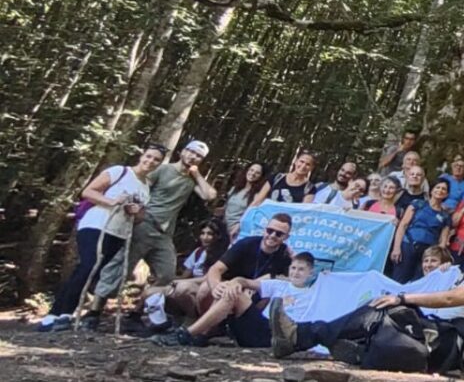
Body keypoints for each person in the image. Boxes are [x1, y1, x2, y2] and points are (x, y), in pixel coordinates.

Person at [270, 231, 464, 371]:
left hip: (450, 342)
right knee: (382, 308)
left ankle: (300, 336)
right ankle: (359, 348)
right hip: (436, 331)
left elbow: (451, 298)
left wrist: (402, 297)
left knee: (385, 310)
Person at [85, 140, 218, 326]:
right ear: (183, 151)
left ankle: (136, 313)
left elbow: (209, 195)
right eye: (191, 152)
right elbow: (141, 184)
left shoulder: (191, 179)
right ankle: (94, 312)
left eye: (198, 156)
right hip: (144, 223)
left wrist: (196, 174)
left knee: (166, 275)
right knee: (120, 267)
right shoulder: (163, 170)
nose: (193, 157)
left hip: (164, 233)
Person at [38, 144, 165, 332]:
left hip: (118, 233)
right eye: (148, 156)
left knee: (91, 271)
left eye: (156, 160)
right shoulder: (120, 172)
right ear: (142, 155)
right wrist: (112, 201)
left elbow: (138, 219)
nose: (150, 161)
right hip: (96, 225)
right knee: (88, 266)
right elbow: (88, 192)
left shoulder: (146, 187)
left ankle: (59, 313)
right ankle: (61, 314)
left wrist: (135, 212)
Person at [152, 252, 316, 347]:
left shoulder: (314, 293)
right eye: (293, 268)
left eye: (301, 269)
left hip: (278, 335)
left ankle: (188, 334)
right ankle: (197, 334)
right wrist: (236, 282)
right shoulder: (278, 285)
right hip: (258, 325)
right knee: (232, 292)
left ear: (310, 273)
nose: (296, 273)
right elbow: (247, 282)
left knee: (234, 293)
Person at [169, 213, 294, 319]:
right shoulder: (246, 244)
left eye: (278, 234)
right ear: (264, 230)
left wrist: (293, 260)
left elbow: (294, 283)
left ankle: (211, 327)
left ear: (286, 237)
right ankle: (200, 323)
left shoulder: (285, 255)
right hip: (227, 284)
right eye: (270, 230)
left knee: (269, 295)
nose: (272, 235)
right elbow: (216, 269)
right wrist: (215, 286)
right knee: (187, 289)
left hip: (250, 296)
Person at [390, 176, 453, 282]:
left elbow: (442, 242)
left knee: (420, 281)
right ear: (431, 190)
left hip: (428, 253)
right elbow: (403, 225)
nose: (440, 191)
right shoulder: (418, 204)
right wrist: (396, 248)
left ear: (447, 194)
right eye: (438, 187)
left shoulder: (445, 216)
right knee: (399, 279)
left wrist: (437, 260)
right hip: (407, 245)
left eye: (443, 189)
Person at [224, 162, 268, 240]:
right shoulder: (235, 188)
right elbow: (227, 207)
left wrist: (238, 226)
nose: (253, 173)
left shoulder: (258, 196)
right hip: (222, 229)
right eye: (251, 170)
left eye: (257, 173)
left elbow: (251, 215)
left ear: (261, 177)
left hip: (237, 231)